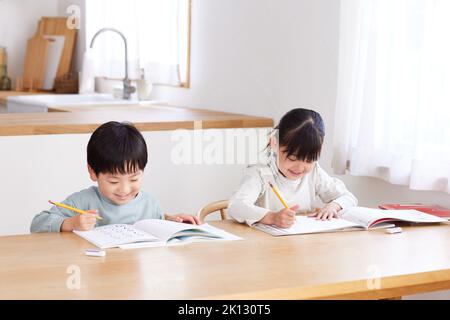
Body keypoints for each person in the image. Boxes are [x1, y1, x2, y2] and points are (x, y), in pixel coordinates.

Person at [30, 121, 200, 233]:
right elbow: (37, 224)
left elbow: (156, 225)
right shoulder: (82, 201)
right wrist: (70, 224)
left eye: (134, 179)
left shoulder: (150, 204)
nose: (124, 189)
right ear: (92, 172)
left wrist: (173, 221)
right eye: (113, 181)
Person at [227, 108, 357, 228]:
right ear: (274, 144)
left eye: (309, 160)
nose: (300, 168)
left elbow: (348, 197)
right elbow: (236, 206)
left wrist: (334, 206)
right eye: (293, 158)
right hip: (267, 245)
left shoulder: (314, 172)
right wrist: (272, 217)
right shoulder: (260, 172)